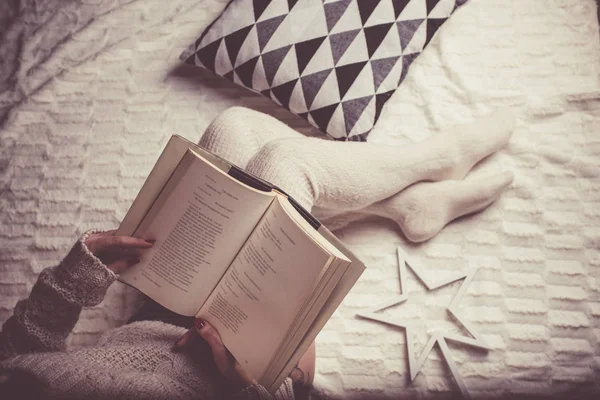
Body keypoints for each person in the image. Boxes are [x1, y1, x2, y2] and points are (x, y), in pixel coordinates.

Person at [0, 107, 516, 399]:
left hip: (160, 314)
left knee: (233, 130)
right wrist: (259, 386)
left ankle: (401, 206)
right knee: (287, 160)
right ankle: (433, 160)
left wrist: (74, 273)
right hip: (241, 362)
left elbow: (20, 349)